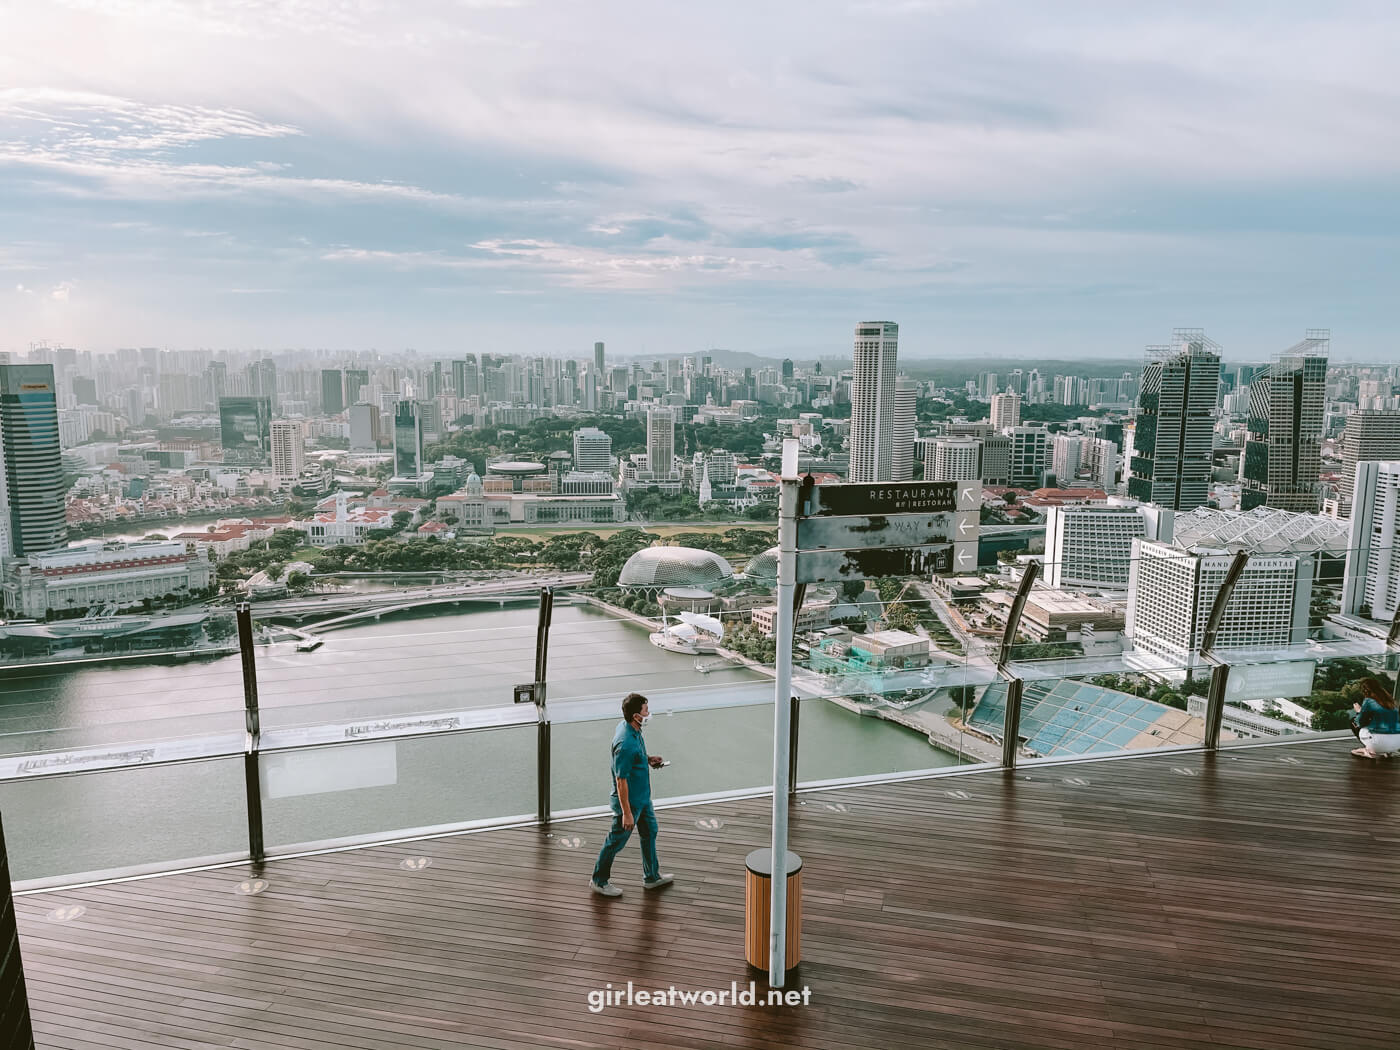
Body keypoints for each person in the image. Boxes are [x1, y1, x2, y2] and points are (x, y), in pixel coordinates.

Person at [590, 692, 673, 897]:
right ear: (636, 716)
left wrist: (647, 759)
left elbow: (634, 758)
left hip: (643, 798)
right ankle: (598, 880)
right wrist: (627, 813)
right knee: (615, 841)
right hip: (630, 803)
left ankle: (651, 876)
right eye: (646, 710)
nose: (649, 713)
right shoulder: (625, 744)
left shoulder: (631, 728)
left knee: (650, 832)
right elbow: (621, 780)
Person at [1350, 677, 1400, 759]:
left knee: (1353, 721)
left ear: (1365, 690)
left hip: (1379, 742)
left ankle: (1368, 749)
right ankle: (1388, 751)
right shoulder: (1391, 701)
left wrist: (1359, 711)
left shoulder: (1369, 701)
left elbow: (1360, 722)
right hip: (1397, 743)